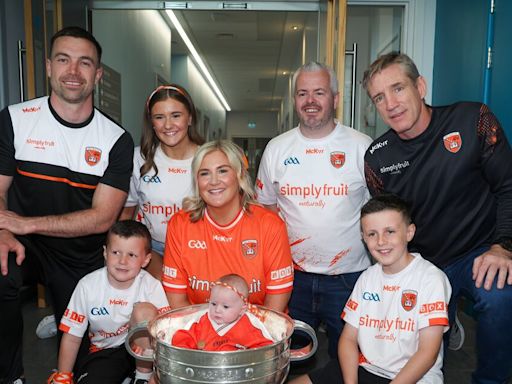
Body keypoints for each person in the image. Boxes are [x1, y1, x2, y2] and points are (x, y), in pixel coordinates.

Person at [363, 52, 512, 383]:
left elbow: (508, 187)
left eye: (398, 88)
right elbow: (390, 225)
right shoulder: (377, 158)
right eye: (379, 97)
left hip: (479, 251)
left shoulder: (473, 120)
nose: (391, 103)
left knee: (501, 298)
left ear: (420, 86)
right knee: (421, 359)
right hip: (424, 262)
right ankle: (447, 310)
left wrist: (503, 246)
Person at [0, 26, 134, 383]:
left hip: (79, 251)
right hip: (20, 242)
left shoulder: (116, 139)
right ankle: (11, 376)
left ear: (98, 74)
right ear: (47, 66)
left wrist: (26, 223)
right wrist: (3, 230)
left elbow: (101, 218)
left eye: (84, 63)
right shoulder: (14, 119)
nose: (73, 72)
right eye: (63, 59)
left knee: (81, 346)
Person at [256, 61, 372, 358]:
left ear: (335, 98)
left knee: (349, 361)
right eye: (302, 93)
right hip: (292, 279)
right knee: (287, 357)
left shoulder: (362, 147)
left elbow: (379, 211)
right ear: (294, 100)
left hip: (349, 277)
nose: (310, 101)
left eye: (319, 92)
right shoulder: (277, 148)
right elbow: (266, 210)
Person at [290, 194, 451, 384]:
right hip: (366, 368)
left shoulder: (431, 279)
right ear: (363, 237)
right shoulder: (367, 277)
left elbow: (427, 353)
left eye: (390, 231)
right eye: (372, 234)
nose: (381, 241)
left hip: (413, 377)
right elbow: (349, 338)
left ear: (409, 232)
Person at [162, 140, 294, 313]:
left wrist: (242, 337)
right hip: (198, 330)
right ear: (196, 181)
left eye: (223, 171)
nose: (214, 181)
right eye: (204, 174)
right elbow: (178, 301)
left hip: (258, 331)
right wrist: (208, 336)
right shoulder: (180, 225)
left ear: (239, 176)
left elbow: (275, 304)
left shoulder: (270, 225)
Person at [47, 221, 170, 384]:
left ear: (146, 260)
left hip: (145, 356)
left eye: (131, 255)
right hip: (105, 351)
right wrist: (63, 375)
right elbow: (72, 337)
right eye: (116, 252)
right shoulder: (87, 285)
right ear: (105, 253)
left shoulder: (151, 285)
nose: (122, 261)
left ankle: (142, 377)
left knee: (145, 312)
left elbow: (166, 332)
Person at [120, 84, 204, 280]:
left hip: (198, 248)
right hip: (151, 250)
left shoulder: (207, 157)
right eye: (159, 117)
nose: (168, 125)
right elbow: (127, 212)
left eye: (176, 115)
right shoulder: (138, 158)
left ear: (190, 117)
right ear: (152, 122)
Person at [172, 273, 274, 351]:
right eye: (213, 304)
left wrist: (247, 357)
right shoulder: (203, 322)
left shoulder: (248, 326)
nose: (217, 310)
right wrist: (188, 352)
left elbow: (265, 348)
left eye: (225, 307)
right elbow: (183, 337)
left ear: (242, 310)